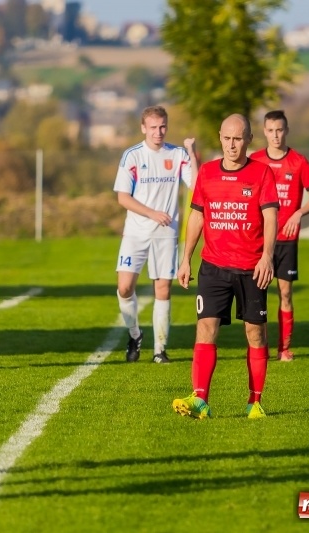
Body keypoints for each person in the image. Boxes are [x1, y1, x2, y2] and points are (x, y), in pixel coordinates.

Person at [173, 113, 279, 420]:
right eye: (227, 138)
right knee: (206, 327)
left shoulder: (261, 173)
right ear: (220, 137)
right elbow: (197, 216)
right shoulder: (206, 173)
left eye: (238, 139)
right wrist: (186, 258)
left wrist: (267, 256)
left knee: (255, 334)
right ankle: (200, 400)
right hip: (214, 266)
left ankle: (255, 401)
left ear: (248, 140)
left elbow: (271, 217)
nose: (232, 145)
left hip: (251, 268)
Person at [113, 105, 197, 364]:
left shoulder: (178, 154)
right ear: (143, 128)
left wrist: (192, 152)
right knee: (125, 287)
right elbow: (123, 198)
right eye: (153, 127)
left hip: (165, 234)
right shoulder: (133, 156)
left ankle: (160, 350)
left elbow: (195, 183)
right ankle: (135, 334)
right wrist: (151, 213)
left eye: (162, 127)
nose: (158, 132)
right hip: (136, 233)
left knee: (162, 289)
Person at [250, 110, 309, 361]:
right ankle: (260, 348)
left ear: (286, 130)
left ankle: (284, 348)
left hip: (286, 240)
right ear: (264, 132)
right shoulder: (256, 160)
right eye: (270, 130)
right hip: (259, 239)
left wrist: (298, 213)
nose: (275, 135)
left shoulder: (299, 162)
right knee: (257, 295)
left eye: (279, 130)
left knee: (285, 293)